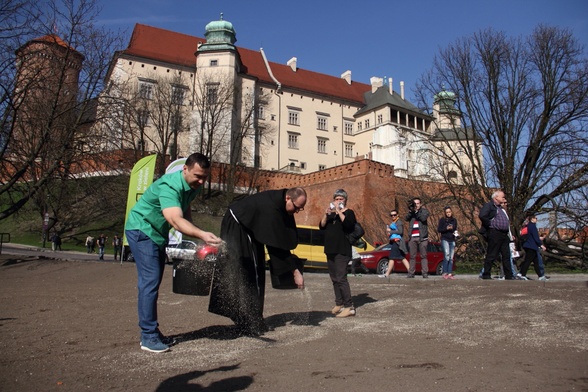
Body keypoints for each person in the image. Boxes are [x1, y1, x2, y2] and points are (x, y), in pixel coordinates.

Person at [125, 152, 222, 353]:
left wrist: (194, 233)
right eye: (197, 176)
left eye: (205, 177)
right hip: (141, 229)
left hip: (156, 234)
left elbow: (184, 212)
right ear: (184, 169)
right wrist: (202, 234)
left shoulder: (192, 186)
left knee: (154, 280)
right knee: (149, 281)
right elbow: (175, 220)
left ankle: (152, 331)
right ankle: (148, 336)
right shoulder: (170, 186)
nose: (201, 181)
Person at [208, 187, 306, 336]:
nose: (297, 212)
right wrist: (295, 271)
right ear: (288, 198)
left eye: (300, 208)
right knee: (248, 272)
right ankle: (248, 321)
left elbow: (279, 239)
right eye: (296, 207)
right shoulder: (272, 210)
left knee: (258, 271)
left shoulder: (280, 204)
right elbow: (276, 246)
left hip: (249, 228)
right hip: (238, 225)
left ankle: (252, 319)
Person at [319, 189, 356, 318]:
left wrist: (340, 211)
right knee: (334, 279)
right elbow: (321, 226)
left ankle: (349, 306)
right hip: (330, 249)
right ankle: (339, 303)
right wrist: (326, 214)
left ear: (345, 200)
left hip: (342, 249)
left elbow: (348, 225)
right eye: (336, 199)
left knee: (341, 278)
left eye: (341, 199)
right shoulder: (331, 215)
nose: (338, 201)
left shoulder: (349, 213)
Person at [479, 191, 514, 280]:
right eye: (502, 197)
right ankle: (486, 274)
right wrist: (490, 224)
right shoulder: (490, 206)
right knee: (492, 254)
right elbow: (482, 215)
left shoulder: (501, 208)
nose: (504, 198)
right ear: (496, 198)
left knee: (506, 255)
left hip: (504, 235)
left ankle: (509, 275)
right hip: (495, 233)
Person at [379, 209, 409, 278]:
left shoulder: (399, 222)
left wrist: (391, 231)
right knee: (402, 257)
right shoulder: (394, 222)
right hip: (395, 242)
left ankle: (387, 274)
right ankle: (410, 272)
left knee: (391, 257)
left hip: (398, 242)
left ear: (397, 215)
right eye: (391, 215)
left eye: (394, 215)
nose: (393, 216)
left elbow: (400, 232)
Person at [405, 197, 430, 278]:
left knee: (423, 256)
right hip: (412, 237)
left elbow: (423, 218)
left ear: (420, 204)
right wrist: (410, 211)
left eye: (418, 203)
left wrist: (416, 212)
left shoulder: (424, 211)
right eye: (415, 203)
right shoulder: (412, 212)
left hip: (422, 237)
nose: (416, 205)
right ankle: (411, 273)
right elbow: (406, 218)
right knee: (412, 256)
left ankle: (425, 273)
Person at [519, 215, 548, 281]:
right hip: (531, 246)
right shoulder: (533, 226)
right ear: (532, 219)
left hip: (527, 245)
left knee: (536, 261)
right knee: (528, 260)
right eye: (536, 218)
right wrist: (541, 245)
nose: (536, 220)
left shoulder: (527, 226)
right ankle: (522, 274)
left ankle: (540, 276)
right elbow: (535, 237)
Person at [437, 206, 457, 280]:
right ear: (445, 213)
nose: (448, 213)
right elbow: (439, 229)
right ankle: (445, 272)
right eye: (447, 212)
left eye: (449, 212)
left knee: (451, 258)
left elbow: (455, 228)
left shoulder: (454, 220)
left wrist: (455, 232)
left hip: (452, 239)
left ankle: (450, 272)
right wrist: (446, 228)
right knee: (447, 256)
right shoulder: (442, 220)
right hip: (445, 239)